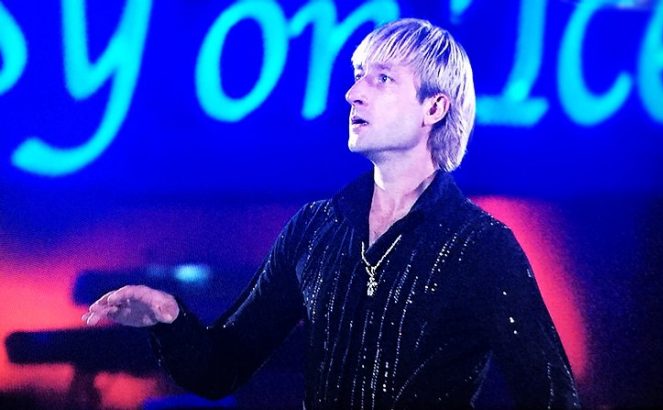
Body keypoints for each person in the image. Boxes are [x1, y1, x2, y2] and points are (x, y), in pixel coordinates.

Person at [83, 18, 581, 409]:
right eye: (359, 76)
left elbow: (551, 395)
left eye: (382, 79)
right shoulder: (315, 228)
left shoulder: (481, 246)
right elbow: (222, 368)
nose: (353, 92)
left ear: (434, 108)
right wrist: (170, 319)